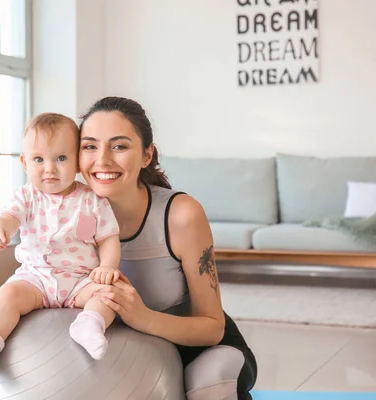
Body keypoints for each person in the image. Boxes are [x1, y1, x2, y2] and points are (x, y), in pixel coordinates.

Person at [78, 97, 258, 399]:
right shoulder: (69, 213)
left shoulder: (181, 214)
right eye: (90, 146)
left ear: (147, 154)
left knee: (208, 382)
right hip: (125, 349)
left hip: (199, 351)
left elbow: (212, 327)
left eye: (120, 146)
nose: (103, 160)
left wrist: (143, 317)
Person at [0, 113, 122, 371]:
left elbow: (108, 239)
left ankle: (89, 324)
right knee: (8, 295)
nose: (49, 168)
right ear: (25, 163)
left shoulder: (92, 199)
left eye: (61, 158)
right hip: (35, 278)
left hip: (80, 279)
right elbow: (8, 218)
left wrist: (107, 266)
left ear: (78, 163)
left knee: (108, 295)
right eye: (39, 159)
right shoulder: (26, 197)